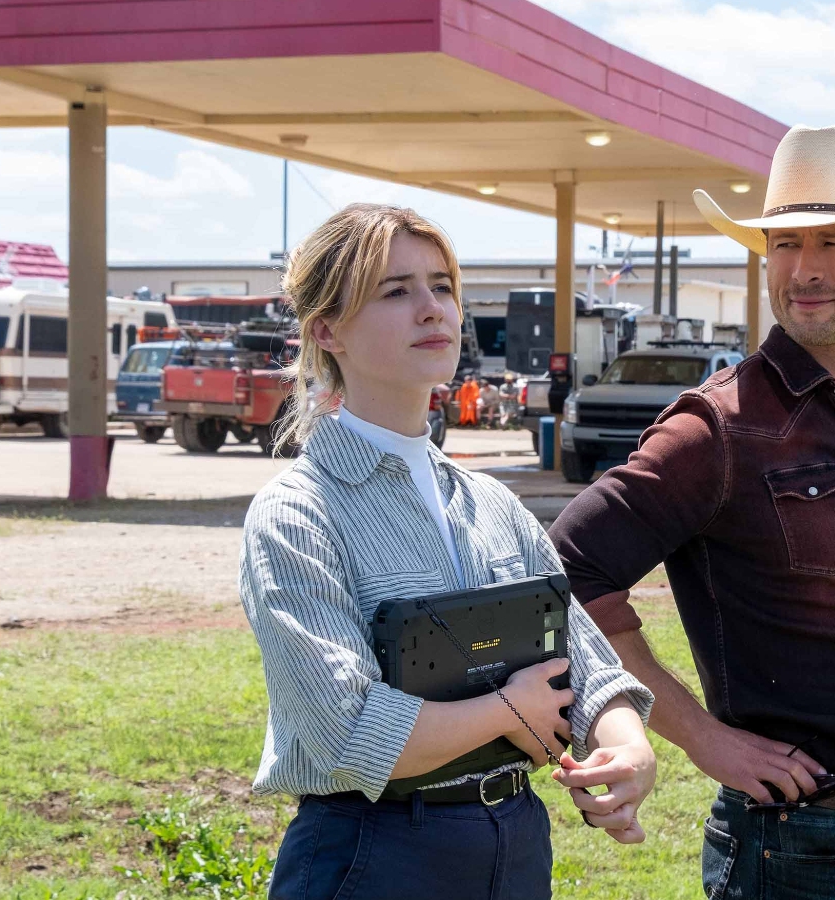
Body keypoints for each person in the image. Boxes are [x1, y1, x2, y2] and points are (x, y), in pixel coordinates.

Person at [550, 124, 835, 899]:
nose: (804, 269)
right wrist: (704, 740)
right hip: (798, 852)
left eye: (833, 243)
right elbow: (564, 572)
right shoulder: (717, 428)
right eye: (785, 244)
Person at [242, 204, 656, 900]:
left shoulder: (491, 502)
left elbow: (587, 665)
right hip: (374, 853)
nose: (433, 310)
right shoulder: (296, 514)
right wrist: (507, 709)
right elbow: (348, 734)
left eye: (442, 285)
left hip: (516, 841)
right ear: (326, 330)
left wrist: (628, 747)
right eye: (395, 290)